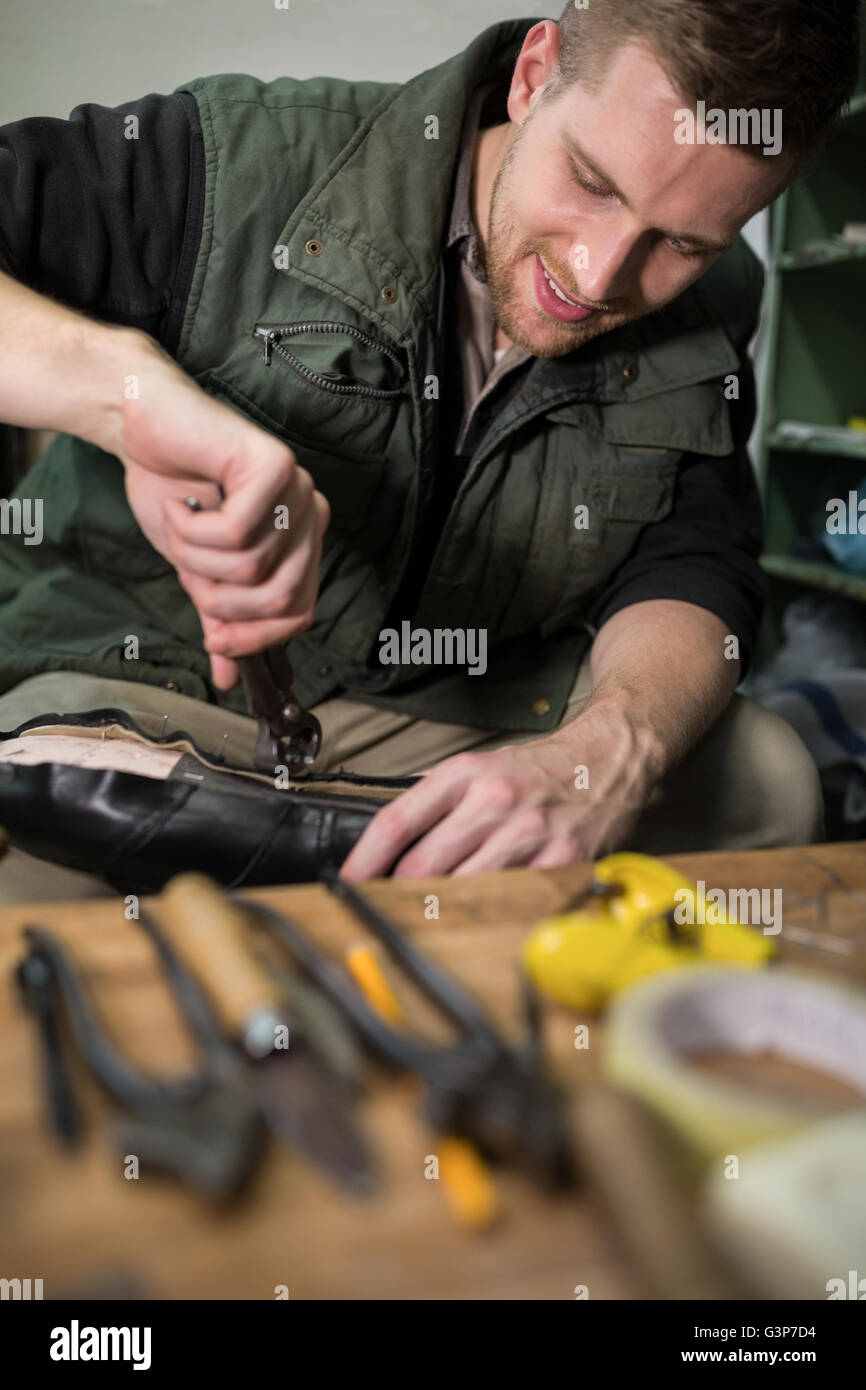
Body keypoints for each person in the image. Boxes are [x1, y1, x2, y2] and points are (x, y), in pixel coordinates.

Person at [0, 3, 859, 893]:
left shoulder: (722, 298)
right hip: (133, 701)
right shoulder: (232, 161)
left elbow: (692, 561)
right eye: (594, 182)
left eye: (681, 242)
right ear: (535, 75)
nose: (598, 276)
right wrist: (125, 394)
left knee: (769, 780)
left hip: (463, 724)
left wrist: (610, 750)